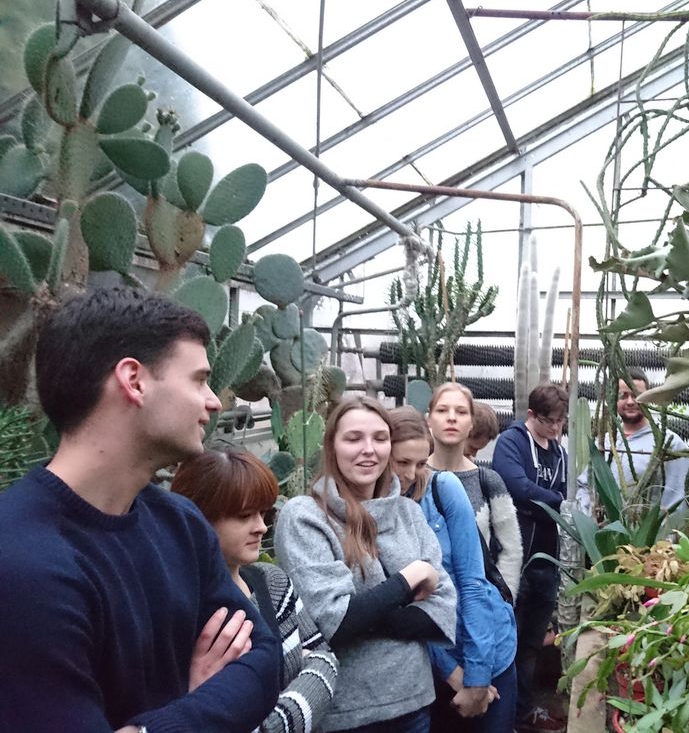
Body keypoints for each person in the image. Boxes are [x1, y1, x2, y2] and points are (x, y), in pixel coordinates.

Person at [0, 287, 280, 731]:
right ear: (134, 380)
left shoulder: (182, 524)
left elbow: (264, 660)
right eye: (198, 380)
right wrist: (200, 707)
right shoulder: (21, 560)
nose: (214, 401)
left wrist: (162, 722)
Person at [275, 397, 457, 733]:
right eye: (354, 438)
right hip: (344, 714)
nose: (369, 449)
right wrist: (412, 577)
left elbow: (443, 609)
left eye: (380, 438)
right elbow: (334, 623)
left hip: (413, 703)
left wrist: (365, 612)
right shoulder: (305, 517)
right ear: (332, 446)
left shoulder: (408, 513)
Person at [172, 448, 340, 733]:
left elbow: (326, 660)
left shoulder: (271, 583)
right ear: (198, 516)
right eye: (244, 515)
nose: (261, 527)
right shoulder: (179, 607)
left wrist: (271, 724)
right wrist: (307, 682)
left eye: (263, 513)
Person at [389, 406, 518, 733]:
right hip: (430, 662)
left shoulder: (442, 488)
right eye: (401, 462)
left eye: (421, 463)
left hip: (486, 645)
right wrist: (453, 674)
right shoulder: (374, 514)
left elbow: (472, 582)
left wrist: (477, 677)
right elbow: (398, 612)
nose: (411, 474)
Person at [492, 383, 569, 733]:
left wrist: (550, 501)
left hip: (546, 563)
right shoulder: (512, 442)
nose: (555, 428)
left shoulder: (560, 453)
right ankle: (500, 716)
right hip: (514, 561)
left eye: (560, 421)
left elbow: (555, 493)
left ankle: (523, 711)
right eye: (548, 421)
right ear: (531, 415)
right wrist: (556, 502)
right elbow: (517, 488)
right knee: (508, 639)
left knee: (532, 643)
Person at [425, 382, 522, 602]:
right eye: (442, 410)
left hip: (477, 605)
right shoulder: (410, 479)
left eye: (461, 412)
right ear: (429, 419)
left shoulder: (487, 481)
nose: (451, 418)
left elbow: (511, 550)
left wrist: (500, 603)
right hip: (422, 609)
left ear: (471, 423)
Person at [576, 368, 689, 519]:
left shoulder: (669, 444)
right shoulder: (605, 442)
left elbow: (677, 499)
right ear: (613, 399)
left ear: (648, 398)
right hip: (606, 530)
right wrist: (589, 519)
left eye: (637, 395)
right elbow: (585, 485)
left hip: (648, 531)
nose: (630, 401)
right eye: (622, 396)